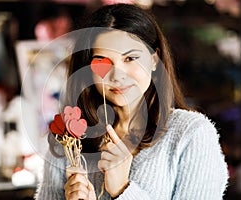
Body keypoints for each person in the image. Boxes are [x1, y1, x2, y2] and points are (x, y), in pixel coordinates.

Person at [35, 3, 229, 200]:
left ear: (155, 60)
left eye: (130, 59)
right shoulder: (68, 139)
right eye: (102, 61)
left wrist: (122, 189)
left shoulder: (191, 134)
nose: (117, 76)